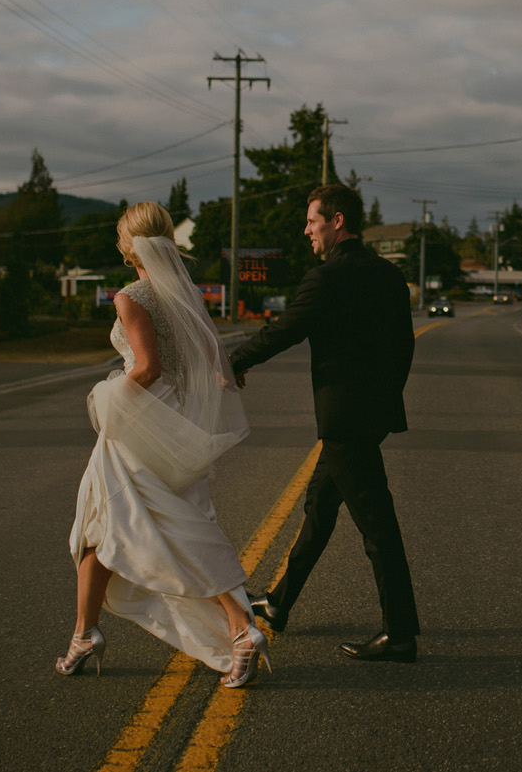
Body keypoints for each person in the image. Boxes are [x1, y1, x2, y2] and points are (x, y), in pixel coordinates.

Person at [57, 202, 270, 688]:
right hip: (176, 420)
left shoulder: (131, 296)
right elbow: (210, 358)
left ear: (126, 246)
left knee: (153, 527)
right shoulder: (186, 293)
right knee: (110, 523)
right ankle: (84, 632)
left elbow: (147, 367)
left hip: (142, 420)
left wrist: (111, 398)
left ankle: (238, 627)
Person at [231, 184, 420, 662]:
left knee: (378, 527)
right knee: (319, 506)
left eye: (312, 221)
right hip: (371, 417)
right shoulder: (390, 275)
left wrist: (234, 361)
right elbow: (404, 348)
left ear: (337, 221)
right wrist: (381, 400)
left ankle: (399, 635)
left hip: (343, 423)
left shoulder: (325, 278)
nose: (306, 230)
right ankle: (279, 602)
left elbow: (285, 330)